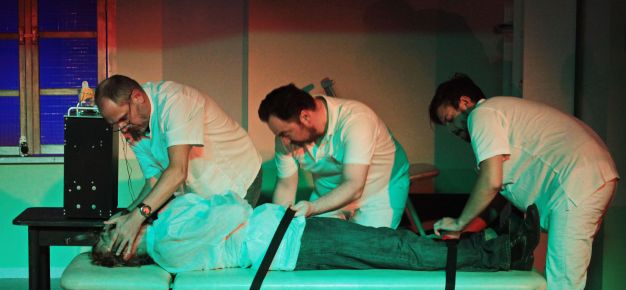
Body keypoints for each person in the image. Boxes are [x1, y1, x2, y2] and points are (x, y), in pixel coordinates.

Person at [428, 74, 619, 290]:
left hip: (579, 182)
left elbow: (491, 181)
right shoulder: (501, 118)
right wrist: (469, 227)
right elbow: (500, 194)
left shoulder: (483, 114)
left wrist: (458, 222)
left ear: (465, 103)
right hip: (582, 179)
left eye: (451, 119)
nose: (454, 131)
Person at [91, 192, 539, 275]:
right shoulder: (167, 243)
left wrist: (224, 208)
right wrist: (223, 206)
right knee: (400, 248)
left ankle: (494, 244)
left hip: (290, 233)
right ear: (125, 250)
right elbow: (230, 208)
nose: (118, 218)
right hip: (292, 243)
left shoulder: (167, 226)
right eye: (112, 230)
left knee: (397, 244)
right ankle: (500, 254)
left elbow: (226, 208)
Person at [94, 75, 263, 257]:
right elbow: (154, 179)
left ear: (137, 97)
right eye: (115, 124)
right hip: (201, 190)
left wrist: (137, 217)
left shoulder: (176, 102)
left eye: (123, 118)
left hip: (237, 177)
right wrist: (128, 213)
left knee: (228, 250)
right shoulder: (132, 128)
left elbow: (177, 171)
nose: (122, 128)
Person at [258, 83, 410, 229]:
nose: (284, 141)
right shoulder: (285, 138)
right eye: (279, 135)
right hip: (328, 191)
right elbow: (286, 185)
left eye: (286, 133)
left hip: (377, 190)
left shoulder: (357, 120)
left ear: (305, 117)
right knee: (314, 239)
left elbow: (354, 185)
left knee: (368, 243)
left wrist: (313, 207)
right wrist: (279, 225)